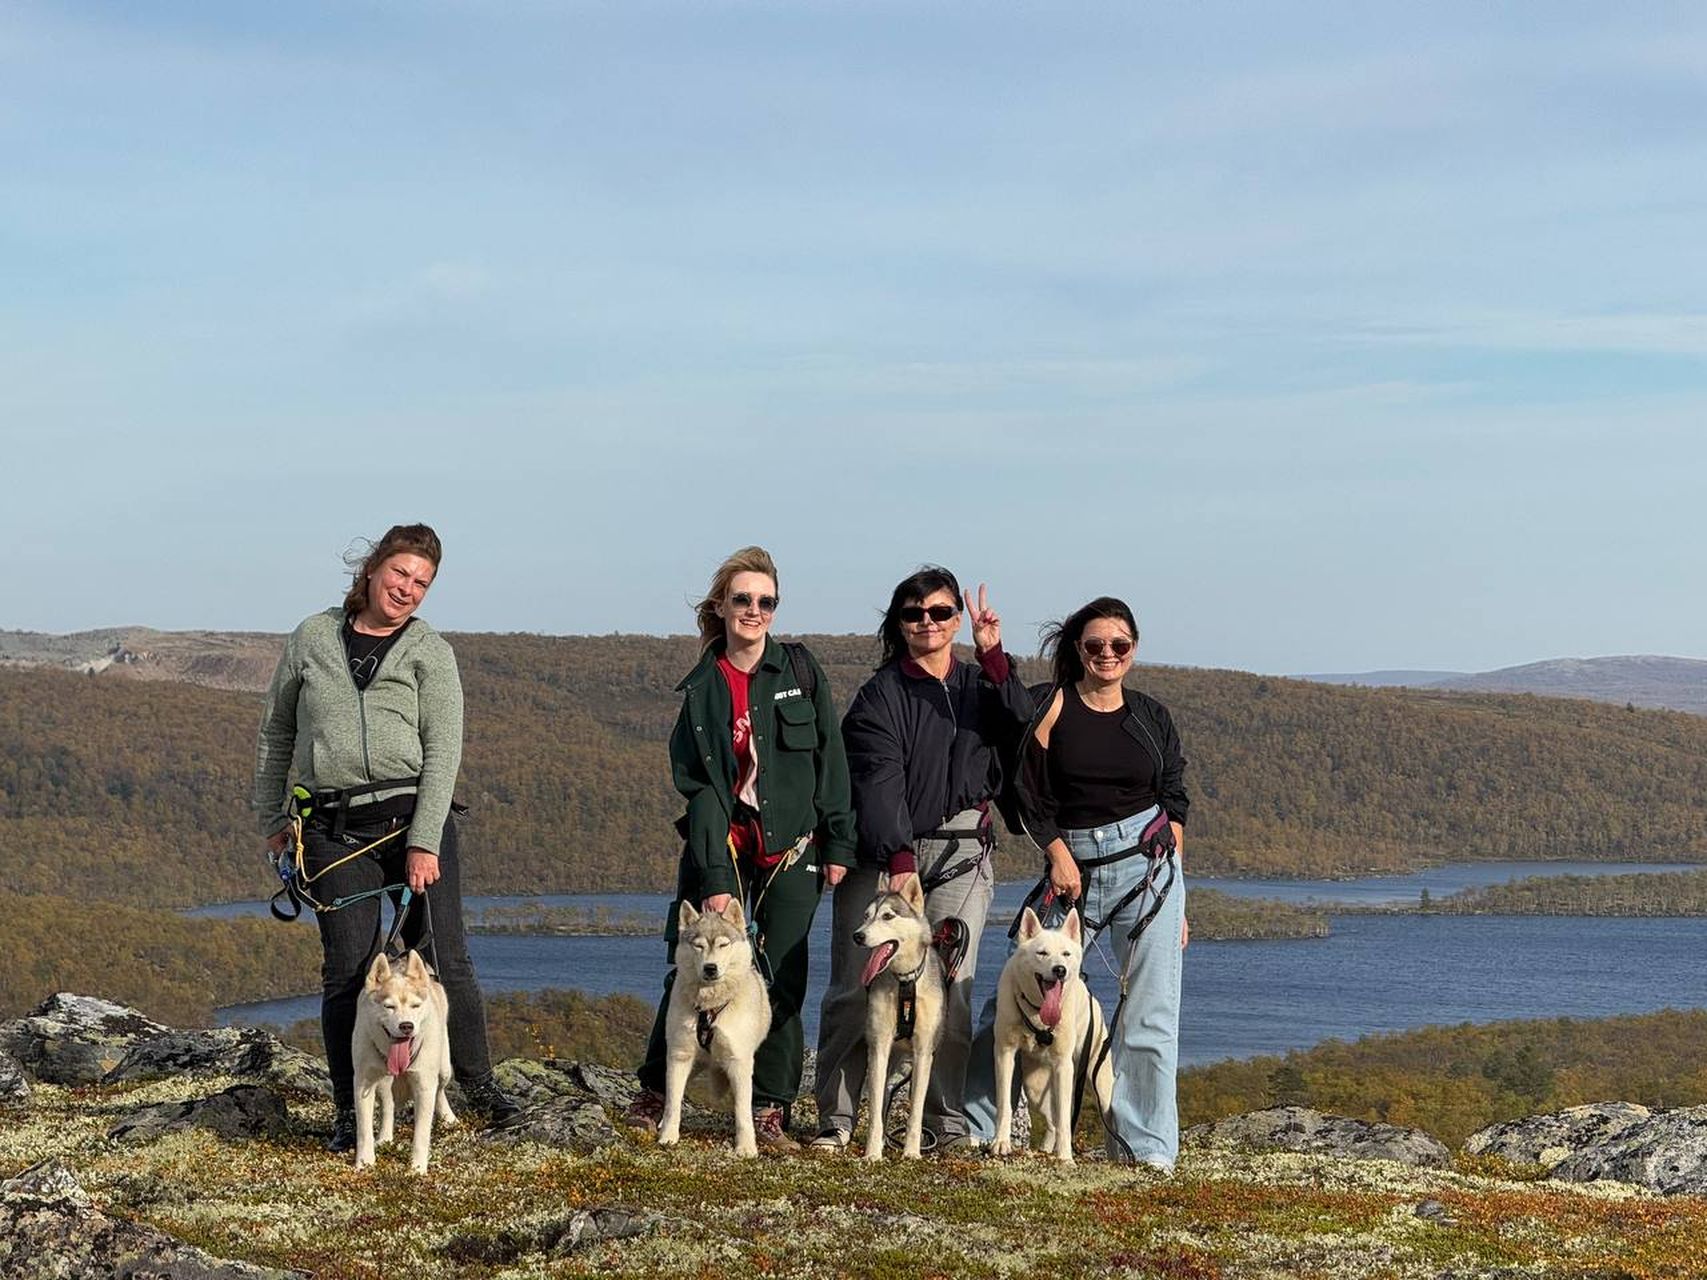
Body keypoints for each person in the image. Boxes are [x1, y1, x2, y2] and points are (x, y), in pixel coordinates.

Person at [252, 523, 520, 1152]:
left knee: (445, 962)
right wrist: (272, 821)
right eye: (400, 574)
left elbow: (443, 750)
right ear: (372, 570)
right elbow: (276, 735)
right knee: (348, 975)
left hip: (414, 824)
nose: (408, 589)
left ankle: (479, 1087)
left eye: (422, 583)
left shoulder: (431, 651)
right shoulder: (311, 639)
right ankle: (352, 1109)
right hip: (332, 829)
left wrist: (426, 840)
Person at [630, 546, 857, 1150]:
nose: (754, 611)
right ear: (721, 608)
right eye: (742, 600)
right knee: (691, 963)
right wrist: (712, 872)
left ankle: (768, 1108)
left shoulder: (802, 673)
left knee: (781, 972)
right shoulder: (701, 686)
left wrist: (839, 840)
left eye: (765, 602)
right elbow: (697, 786)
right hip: (722, 844)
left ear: (774, 610)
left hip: (794, 846)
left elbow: (830, 760)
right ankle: (656, 1091)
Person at [810, 567, 1034, 1154]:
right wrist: (900, 858)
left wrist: (995, 656)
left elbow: (1025, 724)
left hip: (963, 853)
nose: (927, 623)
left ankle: (943, 1124)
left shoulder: (980, 686)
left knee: (950, 989)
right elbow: (876, 780)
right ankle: (837, 1121)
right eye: (914, 614)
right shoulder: (880, 696)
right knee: (857, 988)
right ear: (900, 624)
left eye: (939, 612)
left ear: (958, 620)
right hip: (884, 855)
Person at [966, 596, 1190, 1171]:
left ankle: (1147, 1154)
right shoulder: (1052, 704)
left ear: (1133, 650)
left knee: (1150, 1014)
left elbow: (1174, 800)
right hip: (1072, 865)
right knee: (1014, 994)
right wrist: (991, 650)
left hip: (1152, 865)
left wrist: (1178, 895)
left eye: (1119, 645)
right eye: (1095, 645)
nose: (1107, 655)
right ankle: (976, 1132)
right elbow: (1015, 736)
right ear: (1077, 650)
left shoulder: (1150, 716)